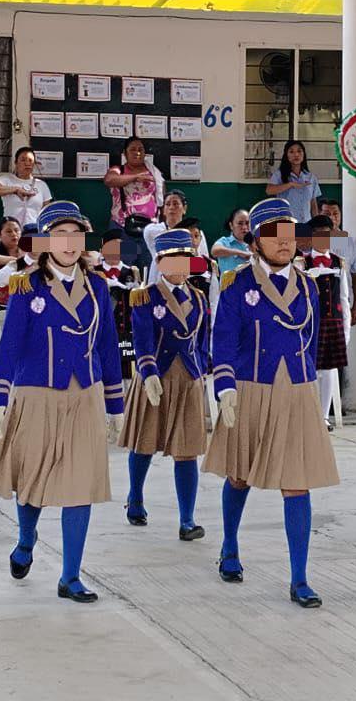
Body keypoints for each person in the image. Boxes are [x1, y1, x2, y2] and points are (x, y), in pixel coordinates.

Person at [0, 200, 125, 604]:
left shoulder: (97, 286)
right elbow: (10, 345)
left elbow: (107, 345)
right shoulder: (26, 285)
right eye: (60, 235)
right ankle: (26, 540)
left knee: (81, 484)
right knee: (32, 479)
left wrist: (115, 403)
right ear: (44, 242)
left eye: (76, 234)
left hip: (85, 394)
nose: (69, 243)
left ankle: (70, 576)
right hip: (36, 391)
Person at [204, 198, 339, 608]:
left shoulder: (309, 286)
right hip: (251, 388)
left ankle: (299, 578)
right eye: (273, 235)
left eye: (289, 234)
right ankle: (229, 546)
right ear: (255, 242)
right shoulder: (237, 285)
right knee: (239, 475)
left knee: (297, 483)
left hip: (296, 391)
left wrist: (308, 387)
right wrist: (224, 387)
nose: (284, 242)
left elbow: (310, 342)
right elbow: (223, 339)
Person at [120, 229, 210, 540]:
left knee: (187, 450)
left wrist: (203, 370)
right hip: (155, 377)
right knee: (144, 442)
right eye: (174, 259)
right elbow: (142, 338)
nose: (181, 266)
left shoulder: (199, 298)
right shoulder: (146, 296)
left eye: (186, 259)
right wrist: (148, 373)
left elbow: (203, 339)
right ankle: (135, 497)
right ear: (159, 262)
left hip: (188, 379)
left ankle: (187, 520)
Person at [299, 215, 351, 431]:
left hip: (333, 321)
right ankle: (309, 415)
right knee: (310, 368)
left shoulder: (339, 262)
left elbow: (344, 297)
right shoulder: (302, 262)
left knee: (330, 370)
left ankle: (323, 416)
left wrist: (346, 330)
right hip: (310, 322)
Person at [104, 137, 164, 270]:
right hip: (123, 229)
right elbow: (109, 180)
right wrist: (135, 177)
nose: (137, 152)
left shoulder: (153, 172)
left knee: (148, 269)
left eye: (140, 149)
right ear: (125, 153)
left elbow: (162, 199)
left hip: (149, 230)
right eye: (133, 149)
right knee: (124, 269)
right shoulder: (118, 170)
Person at [92, 228, 140, 379]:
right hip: (102, 334)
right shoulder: (94, 272)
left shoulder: (132, 272)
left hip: (126, 336)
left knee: (127, 376)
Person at [143, 190, 210, 285]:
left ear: (184, 208)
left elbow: (203, 263)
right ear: (163, 210)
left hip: (188, 283)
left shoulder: (197, 233)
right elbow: (163, 264)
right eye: (167, 204)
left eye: (175, 204)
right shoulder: (152, 230)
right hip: (159, 281)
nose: (171, 207)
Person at [318, 198, 356, 326]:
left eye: (335, 213)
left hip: (342, 306)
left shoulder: (350, 243)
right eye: (327, 214)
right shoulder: (308, 241)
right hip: (316, 307)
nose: (332, 217)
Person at [0, 146, 52, 227]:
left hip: (33, 229)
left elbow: (46, 212)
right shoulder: (6, 179)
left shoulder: (41, 185)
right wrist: (16, 189)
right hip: (12, 229)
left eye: (30, 160)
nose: (27, 163)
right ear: (16, 163)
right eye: (23, 160)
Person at [265, 139, 321, 224]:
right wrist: (290, 184)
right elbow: (269, 190)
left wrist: (317, 224)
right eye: (291, 152)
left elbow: (313, 203)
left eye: (299, 151)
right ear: (286, 155)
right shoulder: (279, 174)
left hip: (306, 223)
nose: (296, 155)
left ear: (304, 154)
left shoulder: (311, 177)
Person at [211, 208, 252, 275]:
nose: (244, 227)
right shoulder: (225, 241)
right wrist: (241, 253)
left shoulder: (255, 243)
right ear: (231, 225)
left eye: (247, 223)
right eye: (240, 223)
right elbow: (214, 251)